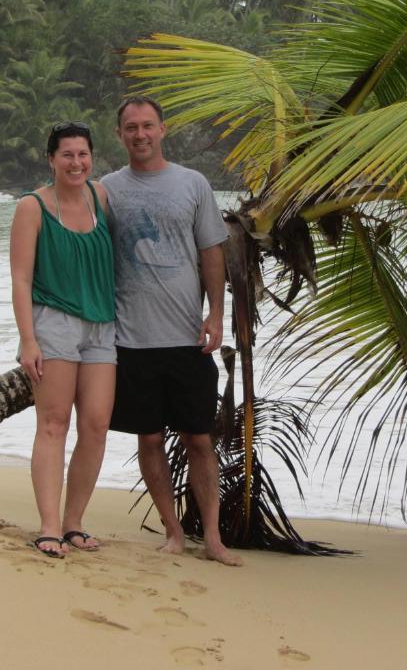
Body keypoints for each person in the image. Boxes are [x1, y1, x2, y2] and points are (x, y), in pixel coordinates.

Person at [103, 96, 243, 567]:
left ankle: (214, 538)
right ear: (119, 134)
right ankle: (174, 532)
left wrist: (216, 316)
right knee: (148, 440)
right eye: (130, 128)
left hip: (188, 338)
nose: (139, 135)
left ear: (163, 129)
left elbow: (212, 253)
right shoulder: (106, 190)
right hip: (130, 340)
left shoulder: (193, 184)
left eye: (147, 126)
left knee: (200, 440)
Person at [10, 122, 116, 558]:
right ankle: (49, 526)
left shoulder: (100, 197)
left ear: (92, 158)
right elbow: (19, 278)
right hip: (53, 322)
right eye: (67, 155)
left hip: (102, 325)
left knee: (95, 425)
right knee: (54, 425)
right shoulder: (32, 207)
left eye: (83, 155)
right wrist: (28, 340)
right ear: (51, 159)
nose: (76, 163)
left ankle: (74, 522)